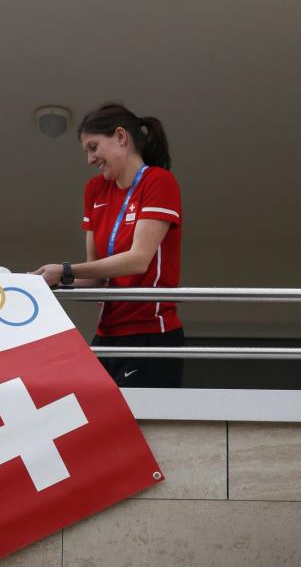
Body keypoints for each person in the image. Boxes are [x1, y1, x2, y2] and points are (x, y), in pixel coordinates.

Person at [33, 101, 184, 388]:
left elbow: (139, 259)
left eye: (93, 147)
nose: (90, 159)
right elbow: (95, 278)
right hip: (107, 334)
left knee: (138, 430)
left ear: (121, 137)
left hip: (151, 333)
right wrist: (41, 283)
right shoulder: (95, 190)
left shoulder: (158, 181)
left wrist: (63, 269)